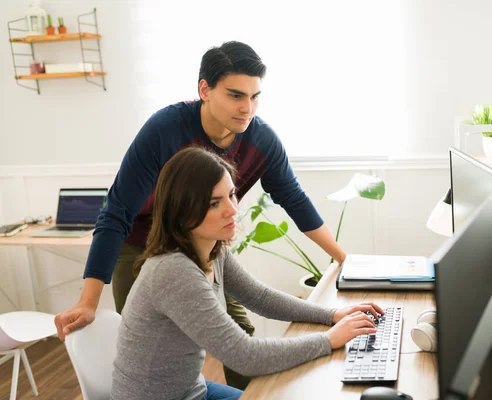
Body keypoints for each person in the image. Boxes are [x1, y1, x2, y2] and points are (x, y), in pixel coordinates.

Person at [54, 41, 346, 389]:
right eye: (236, 95)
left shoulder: (261, 139)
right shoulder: (165, 130)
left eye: (255, 97)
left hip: (199, 239)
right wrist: (88, 303)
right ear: (204, 90)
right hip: (139, 243)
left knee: (237, 333)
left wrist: (343, 259)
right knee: (152, 343)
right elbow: (116, 214)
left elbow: (293, 198)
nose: (247, 108)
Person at [111, 147, 382, 400]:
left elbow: (260, 297)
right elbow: (245, 356)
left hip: (193, 390)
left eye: (231, 195)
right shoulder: (173, 271)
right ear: (182, 211)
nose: (232, 210)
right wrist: (329, 339)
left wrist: (332, 315)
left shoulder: (213, 250)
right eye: (214, 203)